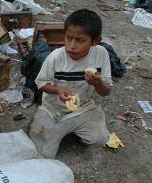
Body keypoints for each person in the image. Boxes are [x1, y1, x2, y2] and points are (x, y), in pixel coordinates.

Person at [29, 9, 112, 158]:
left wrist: (98, 84)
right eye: (68, 38)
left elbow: (106, 91)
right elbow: (40, 84)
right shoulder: (56, 57)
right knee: (44, 153)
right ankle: (58, 128)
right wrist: (58, 90)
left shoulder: (101, 54)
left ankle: (70, 129)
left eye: (80, 40)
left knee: (100, 139)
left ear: (95, 41)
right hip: (53, 109)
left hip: (83, 108)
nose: (71, 46)